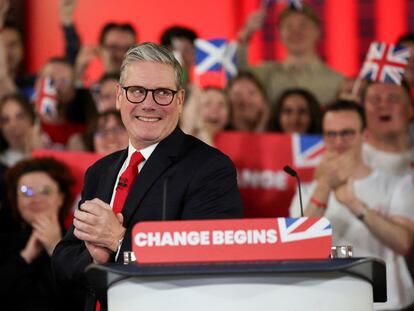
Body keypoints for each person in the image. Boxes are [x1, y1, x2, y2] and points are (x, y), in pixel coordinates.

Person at [52, 42, 243, 310]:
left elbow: (209, 262)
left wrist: (118, 241)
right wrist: (96, 260)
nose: (149, 104)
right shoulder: (99, 171)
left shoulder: (210, 168)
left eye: (162, 92)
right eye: (137, 91)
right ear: (119, 96)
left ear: (179, 100)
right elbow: (64, 259)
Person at [290, 100, 414, 310]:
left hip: (388, 303)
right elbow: (294, 246)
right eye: (331, 134)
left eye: (347, 133)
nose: (338, 141)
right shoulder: (309, 190)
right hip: (328, 302)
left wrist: (355, 205)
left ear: (364, 135)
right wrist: (324, 186)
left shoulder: (396, 183)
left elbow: (403, 243)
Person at [0, 157, 85, 310]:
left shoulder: (81, 244)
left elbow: (83, 300)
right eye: (26, 192)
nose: (36, 199)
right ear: (16, 199)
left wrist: (55, 248)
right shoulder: (4, 243)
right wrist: (25, 256)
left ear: (60, 198)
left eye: (45, 191)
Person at [236, 4, 344, 106]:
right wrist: (245, 35)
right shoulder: (265, 75)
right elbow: (237, 76)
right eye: (288, 26)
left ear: (317, 31)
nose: (296, 31)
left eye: (303, 25)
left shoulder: (337, 82)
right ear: (279, 34)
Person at [34, 57, 96, 148]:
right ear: (37, 83)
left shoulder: (82, 134)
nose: (56, 86)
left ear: (73, 92)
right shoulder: (20, 120)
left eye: (64, 81)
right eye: (50, 79)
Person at [361, 80, 414, 174]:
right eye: (375, 100)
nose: (383, 105)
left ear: (410, 110)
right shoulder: (347, 161)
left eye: (393, 99)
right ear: (363, 111)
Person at [0, 94, 44, 167]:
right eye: (5, 120)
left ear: (32, 120)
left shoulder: (52, 153)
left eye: (20, 116)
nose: (13, 125)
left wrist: (39, 153)